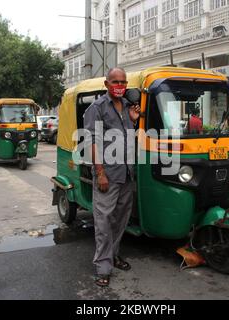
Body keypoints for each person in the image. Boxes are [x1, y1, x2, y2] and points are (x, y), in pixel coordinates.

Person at [83, 67, 141, 288]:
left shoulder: (127, 107)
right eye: (115, 81)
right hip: (107, 173)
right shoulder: (96, 108)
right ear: (107, 84)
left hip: (127, 173)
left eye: (123, 82)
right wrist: (100, 173)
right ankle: (102, 267)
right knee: (104, 222)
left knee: (120, 219)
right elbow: (92, 142)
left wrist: (133, 122)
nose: (119, 85)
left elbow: (124, 138)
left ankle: (113, 254)